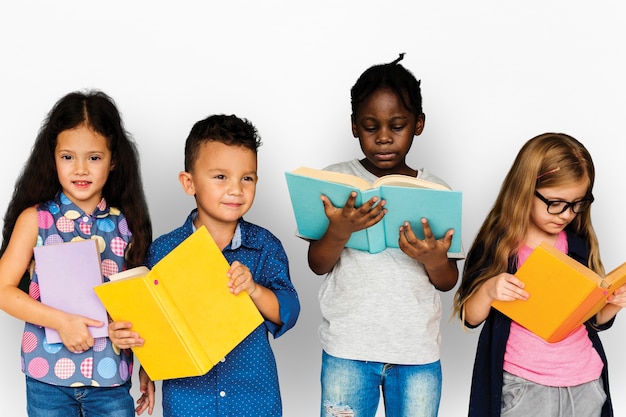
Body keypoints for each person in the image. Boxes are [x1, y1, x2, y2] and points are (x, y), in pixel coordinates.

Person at [109, 114, 300, 417]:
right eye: (221, 177)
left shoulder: (265, 246)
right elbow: (154, 323)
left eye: (246, 178)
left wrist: (253, 289)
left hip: (252, 399)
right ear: (189, 182)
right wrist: (143, 362)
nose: (235, 189)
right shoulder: (163, 251)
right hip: (188, 399)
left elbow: (288, 312)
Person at [307, 53, 460, 417]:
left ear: (418, 124)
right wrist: (339, 229)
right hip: (347, 349)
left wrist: (433, 259)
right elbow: (317, 264)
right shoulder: (335, 180)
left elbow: (447, 281)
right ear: (354, 126)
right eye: (371, 127)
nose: (384, 138)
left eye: (398, 125)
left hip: (416, 353)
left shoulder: (436, 190)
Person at [0, 90, 153, 417]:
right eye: (68, 156)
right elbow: (2, 289)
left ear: (113, 160)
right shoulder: (35, 220)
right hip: (47, 379)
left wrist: (136, 346)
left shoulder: (126, 224)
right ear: (52, 158)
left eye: (94, 157)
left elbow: (140, 304)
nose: (81, 169)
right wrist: (60, 321)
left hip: (110, 377)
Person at [453, 133, 626, 417]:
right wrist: (488, 290)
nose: (566, 214)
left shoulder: (578, 244)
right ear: (525, 189)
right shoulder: (500, 245)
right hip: (523, 384)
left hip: (585, 380)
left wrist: (613, 304)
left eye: (577, 203)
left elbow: (592, 319)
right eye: (555, 202)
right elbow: (470, 317)